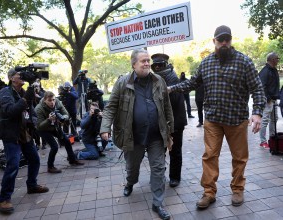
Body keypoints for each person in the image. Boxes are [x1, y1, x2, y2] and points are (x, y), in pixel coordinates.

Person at [168, 25, 266, 209]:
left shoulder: (244, 62)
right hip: (212, 119)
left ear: (231, 41)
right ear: (214, 41)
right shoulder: (205, 63)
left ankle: (238, 189)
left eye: (227, 40)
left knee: (239, 157)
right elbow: (192, 83)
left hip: (236, 120)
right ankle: (208, 193)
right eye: (220, 40)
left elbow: (257, 88)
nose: (223, 43)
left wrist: (257, 112)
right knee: (210, 156)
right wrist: (171, 88)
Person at [100, 48, 174, 220]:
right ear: (134, 64)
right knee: (132, 167)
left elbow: (167, 108)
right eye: (143, 61)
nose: (148, 63)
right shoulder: (122, 83)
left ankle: (158, 203)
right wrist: (105, 127)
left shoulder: (159, 81)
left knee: (158, 168)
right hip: (133, 136)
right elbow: (111, 107)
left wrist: (170, 133)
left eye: (148, 60)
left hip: (156, 135)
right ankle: (130, 182)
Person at [0, 68, 49, 214]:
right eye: (19, 75)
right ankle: (4, 199)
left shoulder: (24, 92)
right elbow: (10, 111)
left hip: (24, 133)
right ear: (12, 78)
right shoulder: (4, 93)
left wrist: (32, 122)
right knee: (13, 164)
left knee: (35, 159)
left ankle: (32, 185)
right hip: (10, 134)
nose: (22, 77)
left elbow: (31, 111)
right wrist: (26, 99)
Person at [150, 53, 187, 188]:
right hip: (159, 122)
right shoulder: (152, 78)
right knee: (159, 150)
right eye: (155, 65)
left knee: (175, 151)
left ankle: (175, 177)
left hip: (175, 122)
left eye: (160, 65)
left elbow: (169, 101)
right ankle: (160, 174)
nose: (158, 67)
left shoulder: (172, 78)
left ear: (166, 64)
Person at [35, 91, 84, 173]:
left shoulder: (57, 102)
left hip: (54, 126)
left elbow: (66, 113)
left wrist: (63, 118)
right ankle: (50, 167)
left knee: (67, 141)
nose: (52, 102)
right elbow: (39, 126)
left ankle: (72, 160)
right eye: (49, 100)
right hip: (43, 130)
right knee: (54, 147)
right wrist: (49, 120)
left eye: (53, 100)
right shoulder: (38, 109)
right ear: (44, 100)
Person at [259, 52, 280, 149]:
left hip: (274, 99)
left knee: (274, 119)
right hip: (268, 100)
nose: (278, 60)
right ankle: (263, 141)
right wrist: (267, 98)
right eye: (277, 58)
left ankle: (272, 137)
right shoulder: (265, 71)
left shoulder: (274, 70)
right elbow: (262, 87)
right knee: (265, 120)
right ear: (272, 59)